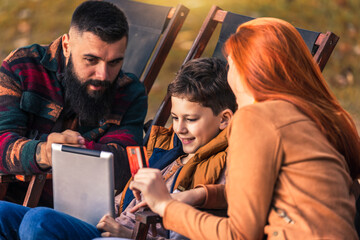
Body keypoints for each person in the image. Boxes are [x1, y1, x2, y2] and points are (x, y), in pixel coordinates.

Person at [129, 18, 360, 239]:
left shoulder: (256, 118)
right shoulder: (322, 117)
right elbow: (261, 193)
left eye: (231, 65)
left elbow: (239, 234)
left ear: (248, 71)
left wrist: (165, 206)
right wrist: (201, 194)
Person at [0, 57, 237, 239]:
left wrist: (126, 234)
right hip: (105, 223)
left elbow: (188, 233)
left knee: (39, 221)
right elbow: (126, 201)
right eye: (175, 118)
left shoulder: (223, 167)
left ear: (224, 119)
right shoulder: (170, 151)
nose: (179, 128)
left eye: (191, 120)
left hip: (121, 236)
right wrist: (102, 204)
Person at [0, 0, 147, 202]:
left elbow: (127, 165)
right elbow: (2, 139)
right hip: (9, 200)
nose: (103, 75)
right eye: (91, 60)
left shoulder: (130, 92)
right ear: (67, 46)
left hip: (79, 212)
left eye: (114, 62)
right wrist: (43, 152)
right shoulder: (22, 67)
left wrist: (75, 149)